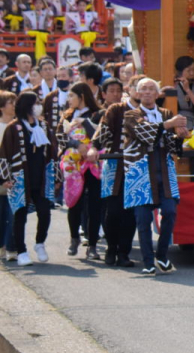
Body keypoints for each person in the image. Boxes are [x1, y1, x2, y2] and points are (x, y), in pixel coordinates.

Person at [122, 78, 188, 274]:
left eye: (152, 89)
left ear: (158, 94)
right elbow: (146, 134)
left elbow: (171, 146)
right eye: (143, 89)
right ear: (137, 93)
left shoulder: (165, 113)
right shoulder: (131, 114)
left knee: (170, 211)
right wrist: (169, 124)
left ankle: (162, 255)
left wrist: (179, 137)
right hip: (141, 172)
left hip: (164, 170)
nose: (148, 92)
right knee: (143, 219)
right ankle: (148, 262)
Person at [0, 91, 58, 266]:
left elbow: (53, 151)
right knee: (20, 215)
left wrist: (57, 177)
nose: (39, 106)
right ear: (27, 106)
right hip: (20, 178)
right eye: (36, 103)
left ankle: (40, 243)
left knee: (45, 211)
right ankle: (21, 251)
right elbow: (4, 154)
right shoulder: (13, 127)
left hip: (41, 178)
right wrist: (4, 179)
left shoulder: (44, 126)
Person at [94, 79, 136, 267]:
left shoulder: (147, 110)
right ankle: (111, 247)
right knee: (112, 210)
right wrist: (94, 147)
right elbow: (102, 133)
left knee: (130, 213)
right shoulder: (115, 110)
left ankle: (124, 252)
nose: (116, 94)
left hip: (137, 166)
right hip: (113, 164)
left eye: (119, 90)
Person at [60, 83, 102, 259]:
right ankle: (74, 238)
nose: (69, 99)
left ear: (82, 96)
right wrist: (76, 144)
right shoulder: (67, 115)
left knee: (94, 205)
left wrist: (85, 123)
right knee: (74, 203)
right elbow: (60, 138)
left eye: (72, 96)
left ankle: (92, 244)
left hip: (92, 165)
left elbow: (99, 136)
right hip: (73, 165)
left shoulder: (97, 114)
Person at [0, 91, 14, 261]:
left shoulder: (19, 126)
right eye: (11, 102)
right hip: (1, 178)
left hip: (15, 177)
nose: (14, 106)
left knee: (13, 215)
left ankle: (11, 246)